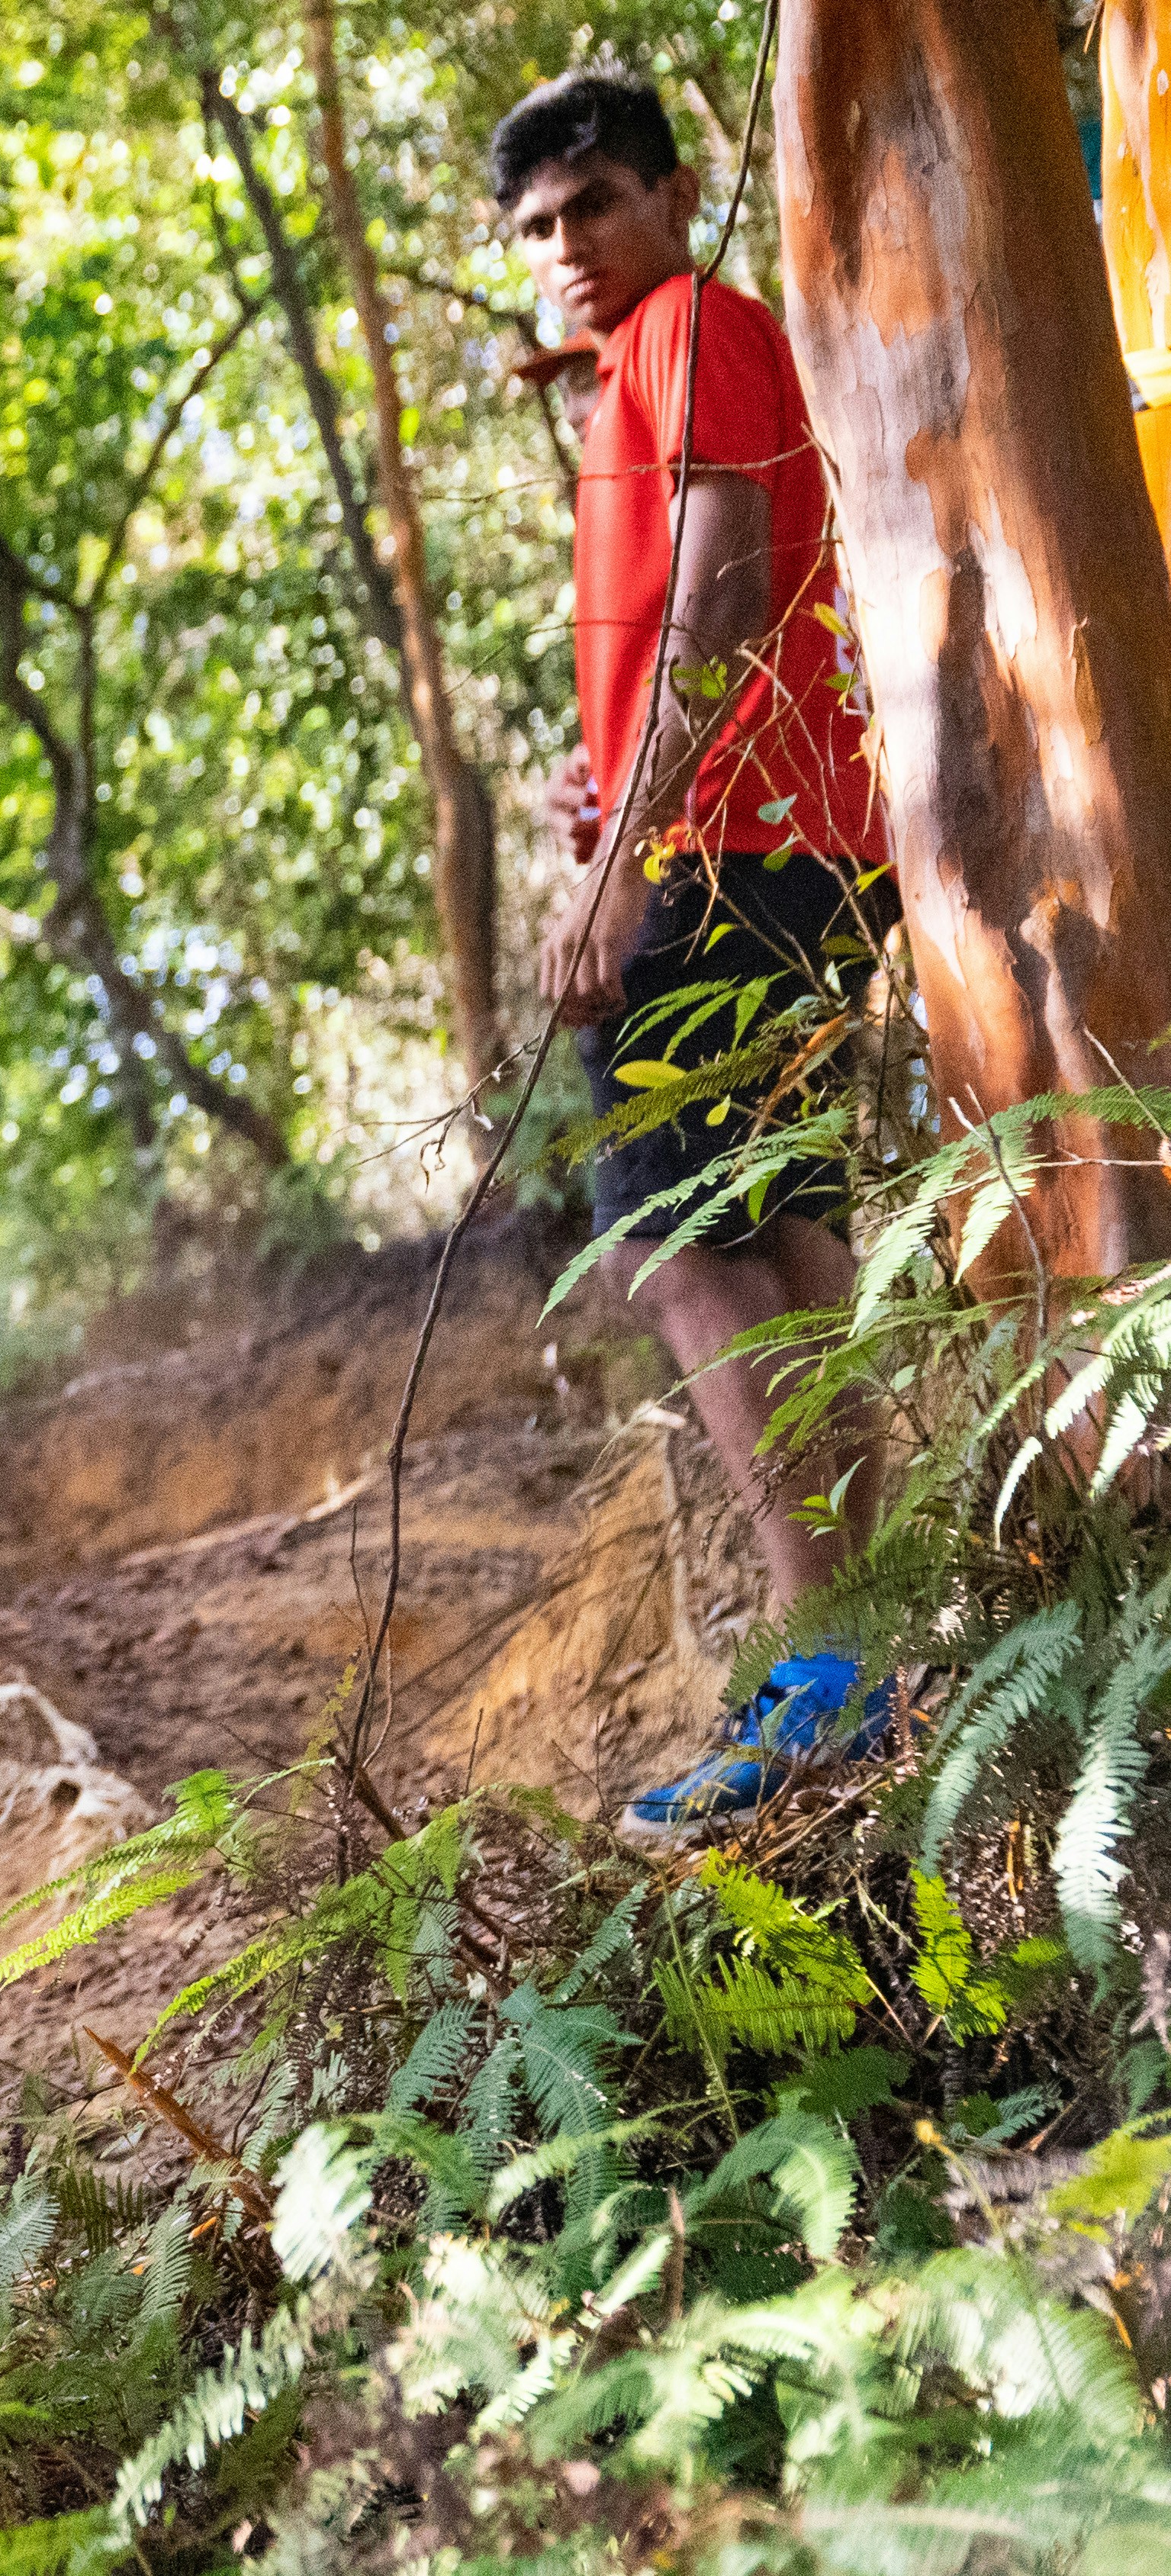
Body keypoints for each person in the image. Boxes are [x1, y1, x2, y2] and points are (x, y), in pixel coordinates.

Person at [494, 72, 900, 1835]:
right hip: (779, 844)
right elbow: (696, 603)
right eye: (536, 227)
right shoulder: (631, 376)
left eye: (593, 203)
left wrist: (624, 864)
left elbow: (728, 597)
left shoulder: (694, 323)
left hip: (734, 854)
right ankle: (874, 1647)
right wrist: (605, 788)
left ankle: (825, 1679)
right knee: (794, 1244)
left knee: (673, 1247)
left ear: (668, 198)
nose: (567, 247)